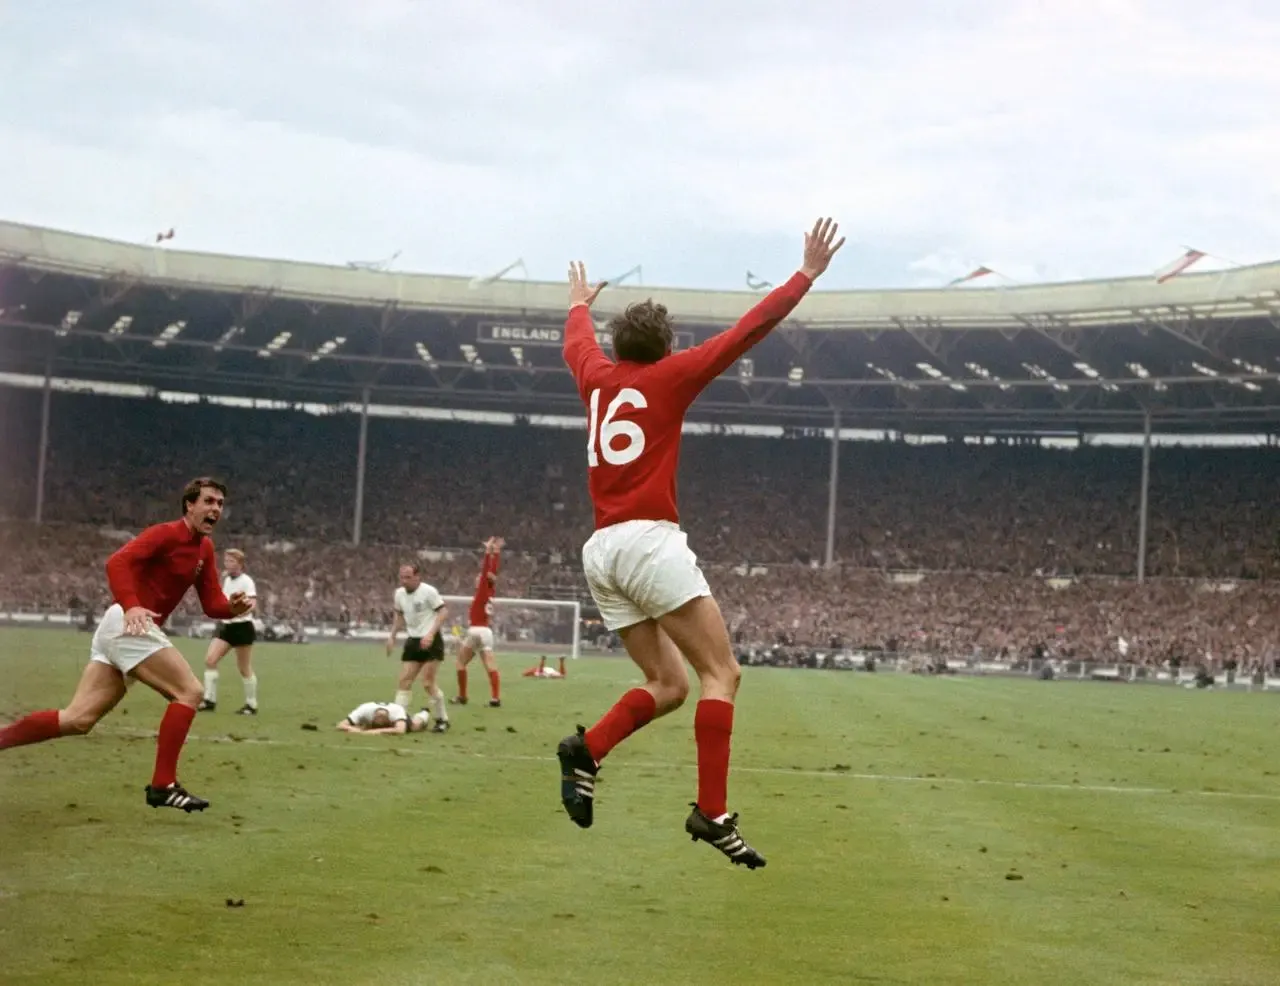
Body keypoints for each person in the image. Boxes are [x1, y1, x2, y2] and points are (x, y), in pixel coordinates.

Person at [555, 218, 844, 869]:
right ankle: (711, 813)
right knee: (723, 673)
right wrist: (806, 275)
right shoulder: (671, 377)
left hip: (600, 550)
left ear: (619, 344)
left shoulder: (596, 379)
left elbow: (577, 346)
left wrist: (578, 305)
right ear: (664, 348)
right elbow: (747, 332)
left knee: (669, 682)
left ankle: (588, 749)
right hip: (649, 544)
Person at [0, 477, 255, 812]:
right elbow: (116, 562)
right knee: (190, 692)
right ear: (189, 505)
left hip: (123, 628)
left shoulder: (204, 549)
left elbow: (211, 603)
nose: (215, 509)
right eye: (208, 501)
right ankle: (163, 786)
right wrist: (132, 604)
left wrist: (231, 609)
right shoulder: (165, 534)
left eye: (220, 503)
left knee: (78, 719)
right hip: (128, 623)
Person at [386, 563, 451, 733]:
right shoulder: (399, 594)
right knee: (404, 681)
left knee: (428, 684)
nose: (404, 581)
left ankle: (442, 719)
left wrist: (430, 634)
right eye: (402, 577)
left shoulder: (428, 591)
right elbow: (399, 616)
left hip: (432, 641)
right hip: (413, 641)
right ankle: (399, 718)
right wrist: (392, 636)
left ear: (417, 577)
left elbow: (443, 612)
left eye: (408, 577)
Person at [198, 548, 259, 714]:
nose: (228, 564)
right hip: (226, 626)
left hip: (242, 627)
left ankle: (251, 705)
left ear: (240, 564)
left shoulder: (247, 581)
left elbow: (252, 604)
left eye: (232, 561)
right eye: (226, 561)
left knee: (244, 667)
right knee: (210, 660)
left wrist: (240, 610)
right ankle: (209, 700)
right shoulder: (226, 579)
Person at [453, 536, 504, 707]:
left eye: (479, 578)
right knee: (490, 665)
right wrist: (496, 554)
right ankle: (495, 698)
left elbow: (485, 572)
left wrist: (487, 552)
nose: (477, 579)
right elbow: (492, 573)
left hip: (476, 631)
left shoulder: (483, 590)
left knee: (460, 663)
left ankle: (462, 696)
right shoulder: (490, 592)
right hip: (487, 633)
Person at [336, 702, 430, 735]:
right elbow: (340, 725)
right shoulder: (363, 709)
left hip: (401, 716)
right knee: (358, 725)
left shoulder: (397, 711)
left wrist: (373, 732)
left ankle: (424, 713)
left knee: (415, 726)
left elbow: (400, 730)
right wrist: (353, 729)